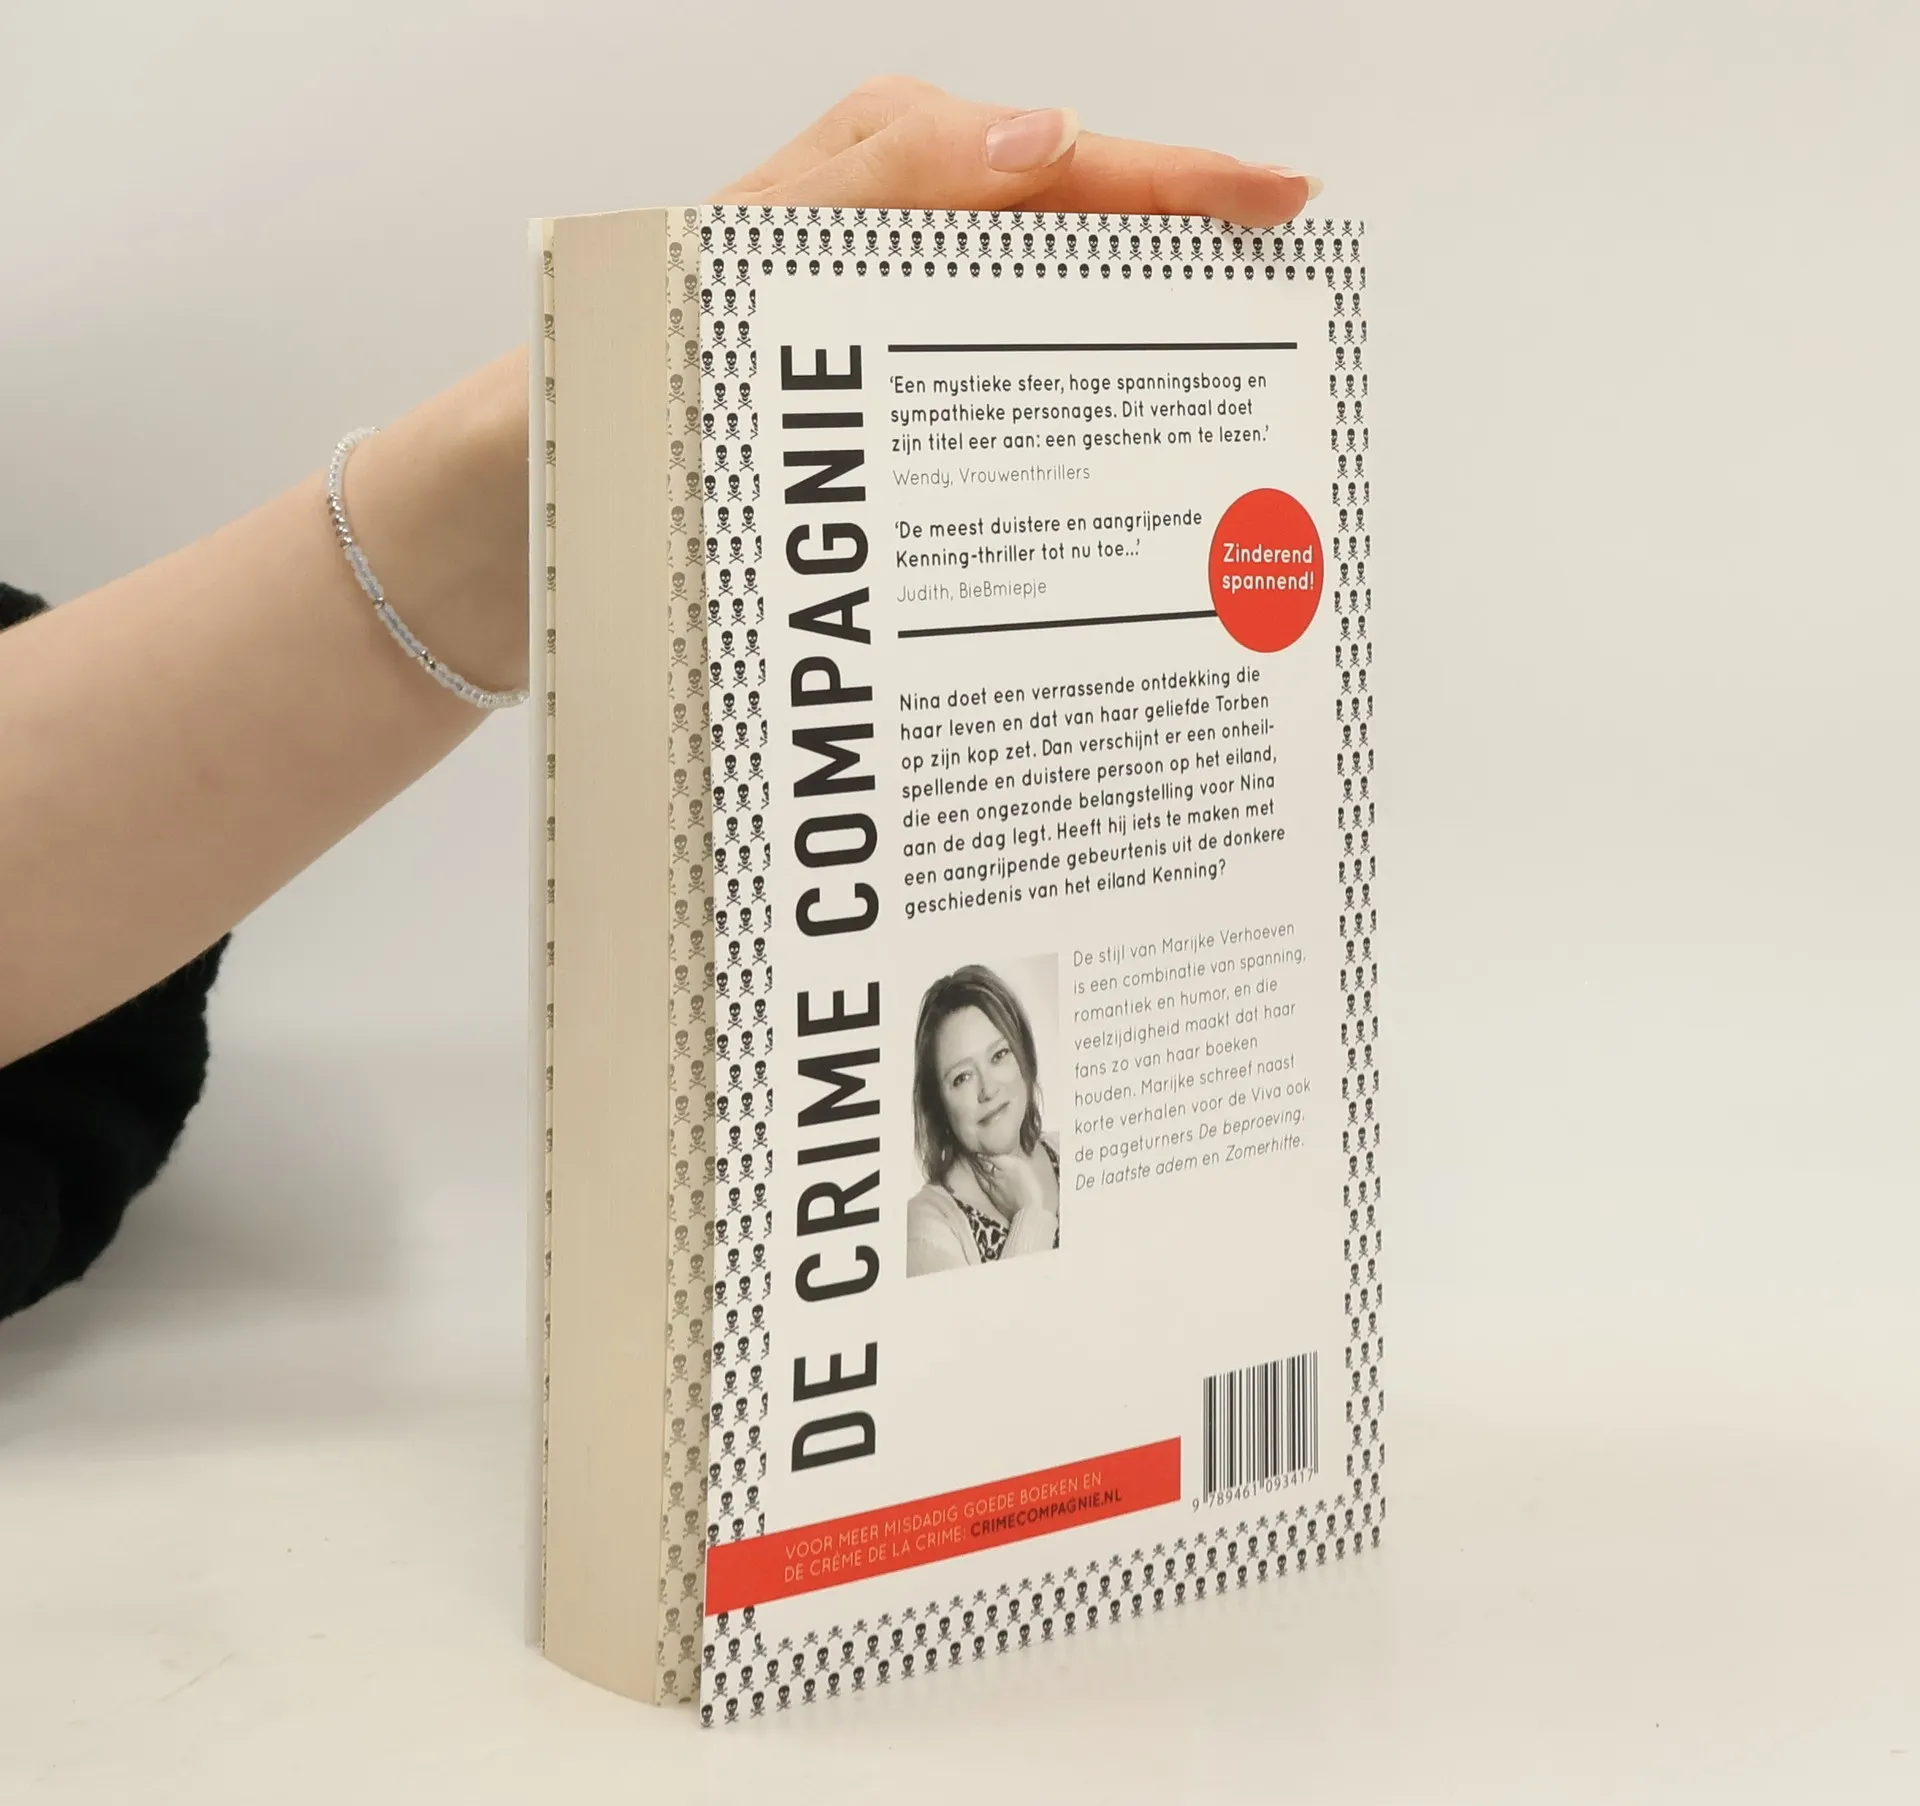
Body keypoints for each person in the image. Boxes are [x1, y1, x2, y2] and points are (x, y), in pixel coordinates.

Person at [0, 76, 1321, 1322]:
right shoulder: (939, 1221)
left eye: (993, 1065)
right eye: (960, 1071)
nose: (981, 1093)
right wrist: (499, 504)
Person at [906, 965, 1061, 1275]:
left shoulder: (1070, 1149)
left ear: (1023, 1057)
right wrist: (1030, 1215)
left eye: (999, 1055)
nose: (988, 1089)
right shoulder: (926, 1226)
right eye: (962, 1077)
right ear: (939, 1104)